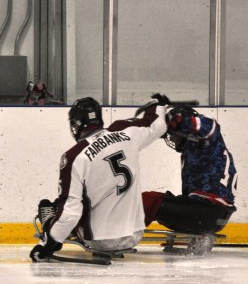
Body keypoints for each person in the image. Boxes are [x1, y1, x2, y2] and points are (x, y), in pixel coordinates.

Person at [30, 94, 168, 262]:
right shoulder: (125, 131)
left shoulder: (74, 157)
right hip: (134, 234)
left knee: (54, 206)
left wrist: (48, 246)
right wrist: (157, 105)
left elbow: (70, 212)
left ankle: (48, 232)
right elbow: (156, 125)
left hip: (98, 241)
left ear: (77, 124)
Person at [142, 105, 237, 235]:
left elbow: (209, 125)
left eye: (173, 134)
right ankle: (201, 238)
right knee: (163, 201)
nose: (172, 139)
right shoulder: (199, 150)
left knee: (147, 200)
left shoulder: (208, 139)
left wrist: (181, 121)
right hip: (215, 217)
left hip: (205, 211)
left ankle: (118, 235)